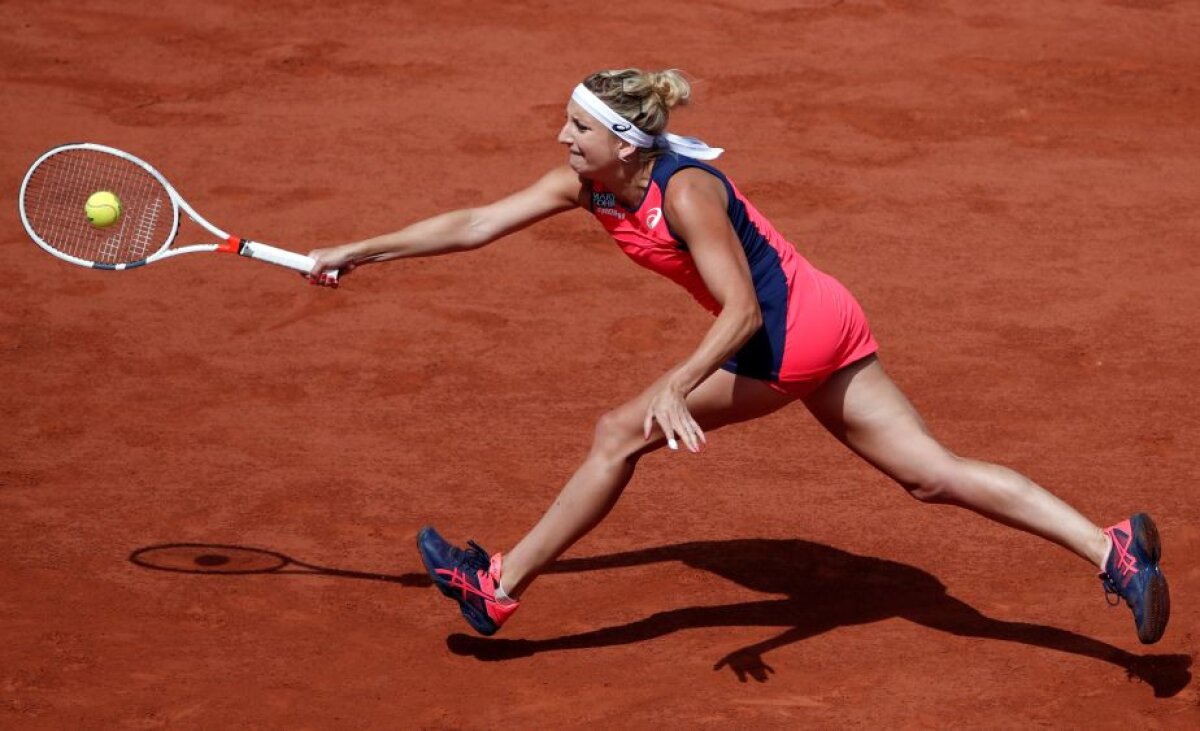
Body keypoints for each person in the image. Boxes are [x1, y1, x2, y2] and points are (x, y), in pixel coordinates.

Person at [306, 68, 1169, 646]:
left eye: (578, 127)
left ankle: (496, 585)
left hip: (785, 334)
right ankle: (1112, 548)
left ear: (625, 142)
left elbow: (744, 309)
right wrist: (361, 247)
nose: (560, 136)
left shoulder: (685, 193)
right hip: (823, 312)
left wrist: (679, 385)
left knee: (618, 432)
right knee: (933, 474)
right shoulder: (592, 185)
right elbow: (474, 223)